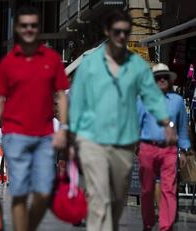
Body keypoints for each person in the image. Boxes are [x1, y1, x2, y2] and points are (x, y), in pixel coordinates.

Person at [69, 10, 176, 231]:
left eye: (125, 33)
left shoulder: (136, 65)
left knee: (117, 198)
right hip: (93, 140)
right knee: (99, 197)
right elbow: (77, 102)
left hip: (123, 141)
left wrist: (166, 123)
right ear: (108, 32)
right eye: (117, 32)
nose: (121, 36)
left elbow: (152, 97)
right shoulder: (90, 65)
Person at [0, 6, 69, 231]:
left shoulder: (52, 59)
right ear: (17, 28)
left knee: (45, 192)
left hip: (45, 136)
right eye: (24, 25)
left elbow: (62, 97)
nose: (29, 29)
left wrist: (64, 128)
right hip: (15, 135)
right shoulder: (8, 63)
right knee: (19, 192)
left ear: (39, 28)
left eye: (34, 25)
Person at [137, 63, 190, 231]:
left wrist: (184, 149)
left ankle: (166, 226)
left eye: (165, 77)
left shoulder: (177, 101)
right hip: (147, 148)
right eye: (157, 77)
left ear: (169, 79)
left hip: (169, 150)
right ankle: (148, 221)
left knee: (169, 189)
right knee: (146, 190)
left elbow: (182, 127)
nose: (161, 80)